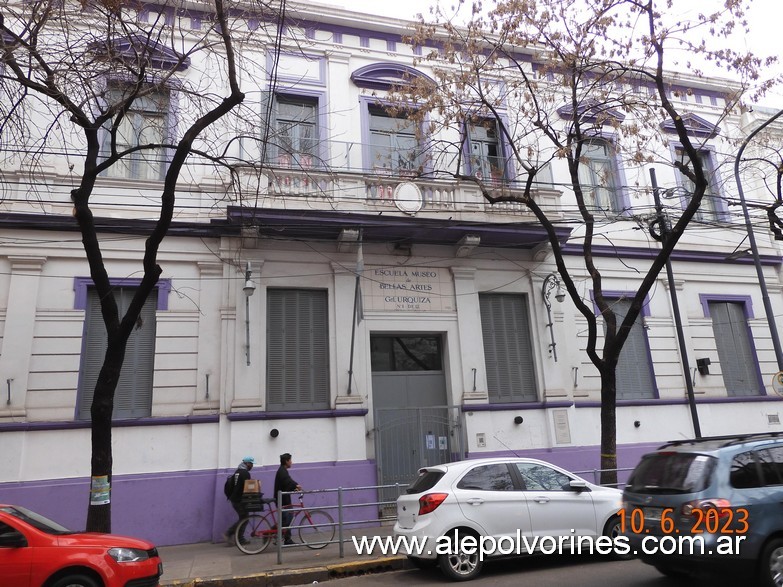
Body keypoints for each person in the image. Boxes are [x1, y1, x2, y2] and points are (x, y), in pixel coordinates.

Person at [224, 456, 255, 544]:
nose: (252, 466)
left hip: (234, 499)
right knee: (244, 519)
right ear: (247, 463)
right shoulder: (245, 473)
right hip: (239, 500)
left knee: (243, 518)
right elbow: (247, 488)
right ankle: (231, 534)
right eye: (251, 464)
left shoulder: (237, 471)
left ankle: (238, 538)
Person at [273, 453, 302, 545]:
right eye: (290, 460)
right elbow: (288, 481)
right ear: (286, 461)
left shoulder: (283, 470)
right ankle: (275, 533)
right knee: (287, 519)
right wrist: (296, 485)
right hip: (282, 500)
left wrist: (294, 488)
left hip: (284, 499)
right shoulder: (282, 471)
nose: (291, 462)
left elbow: (286, 483)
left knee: (288, 518)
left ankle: (287, 539)